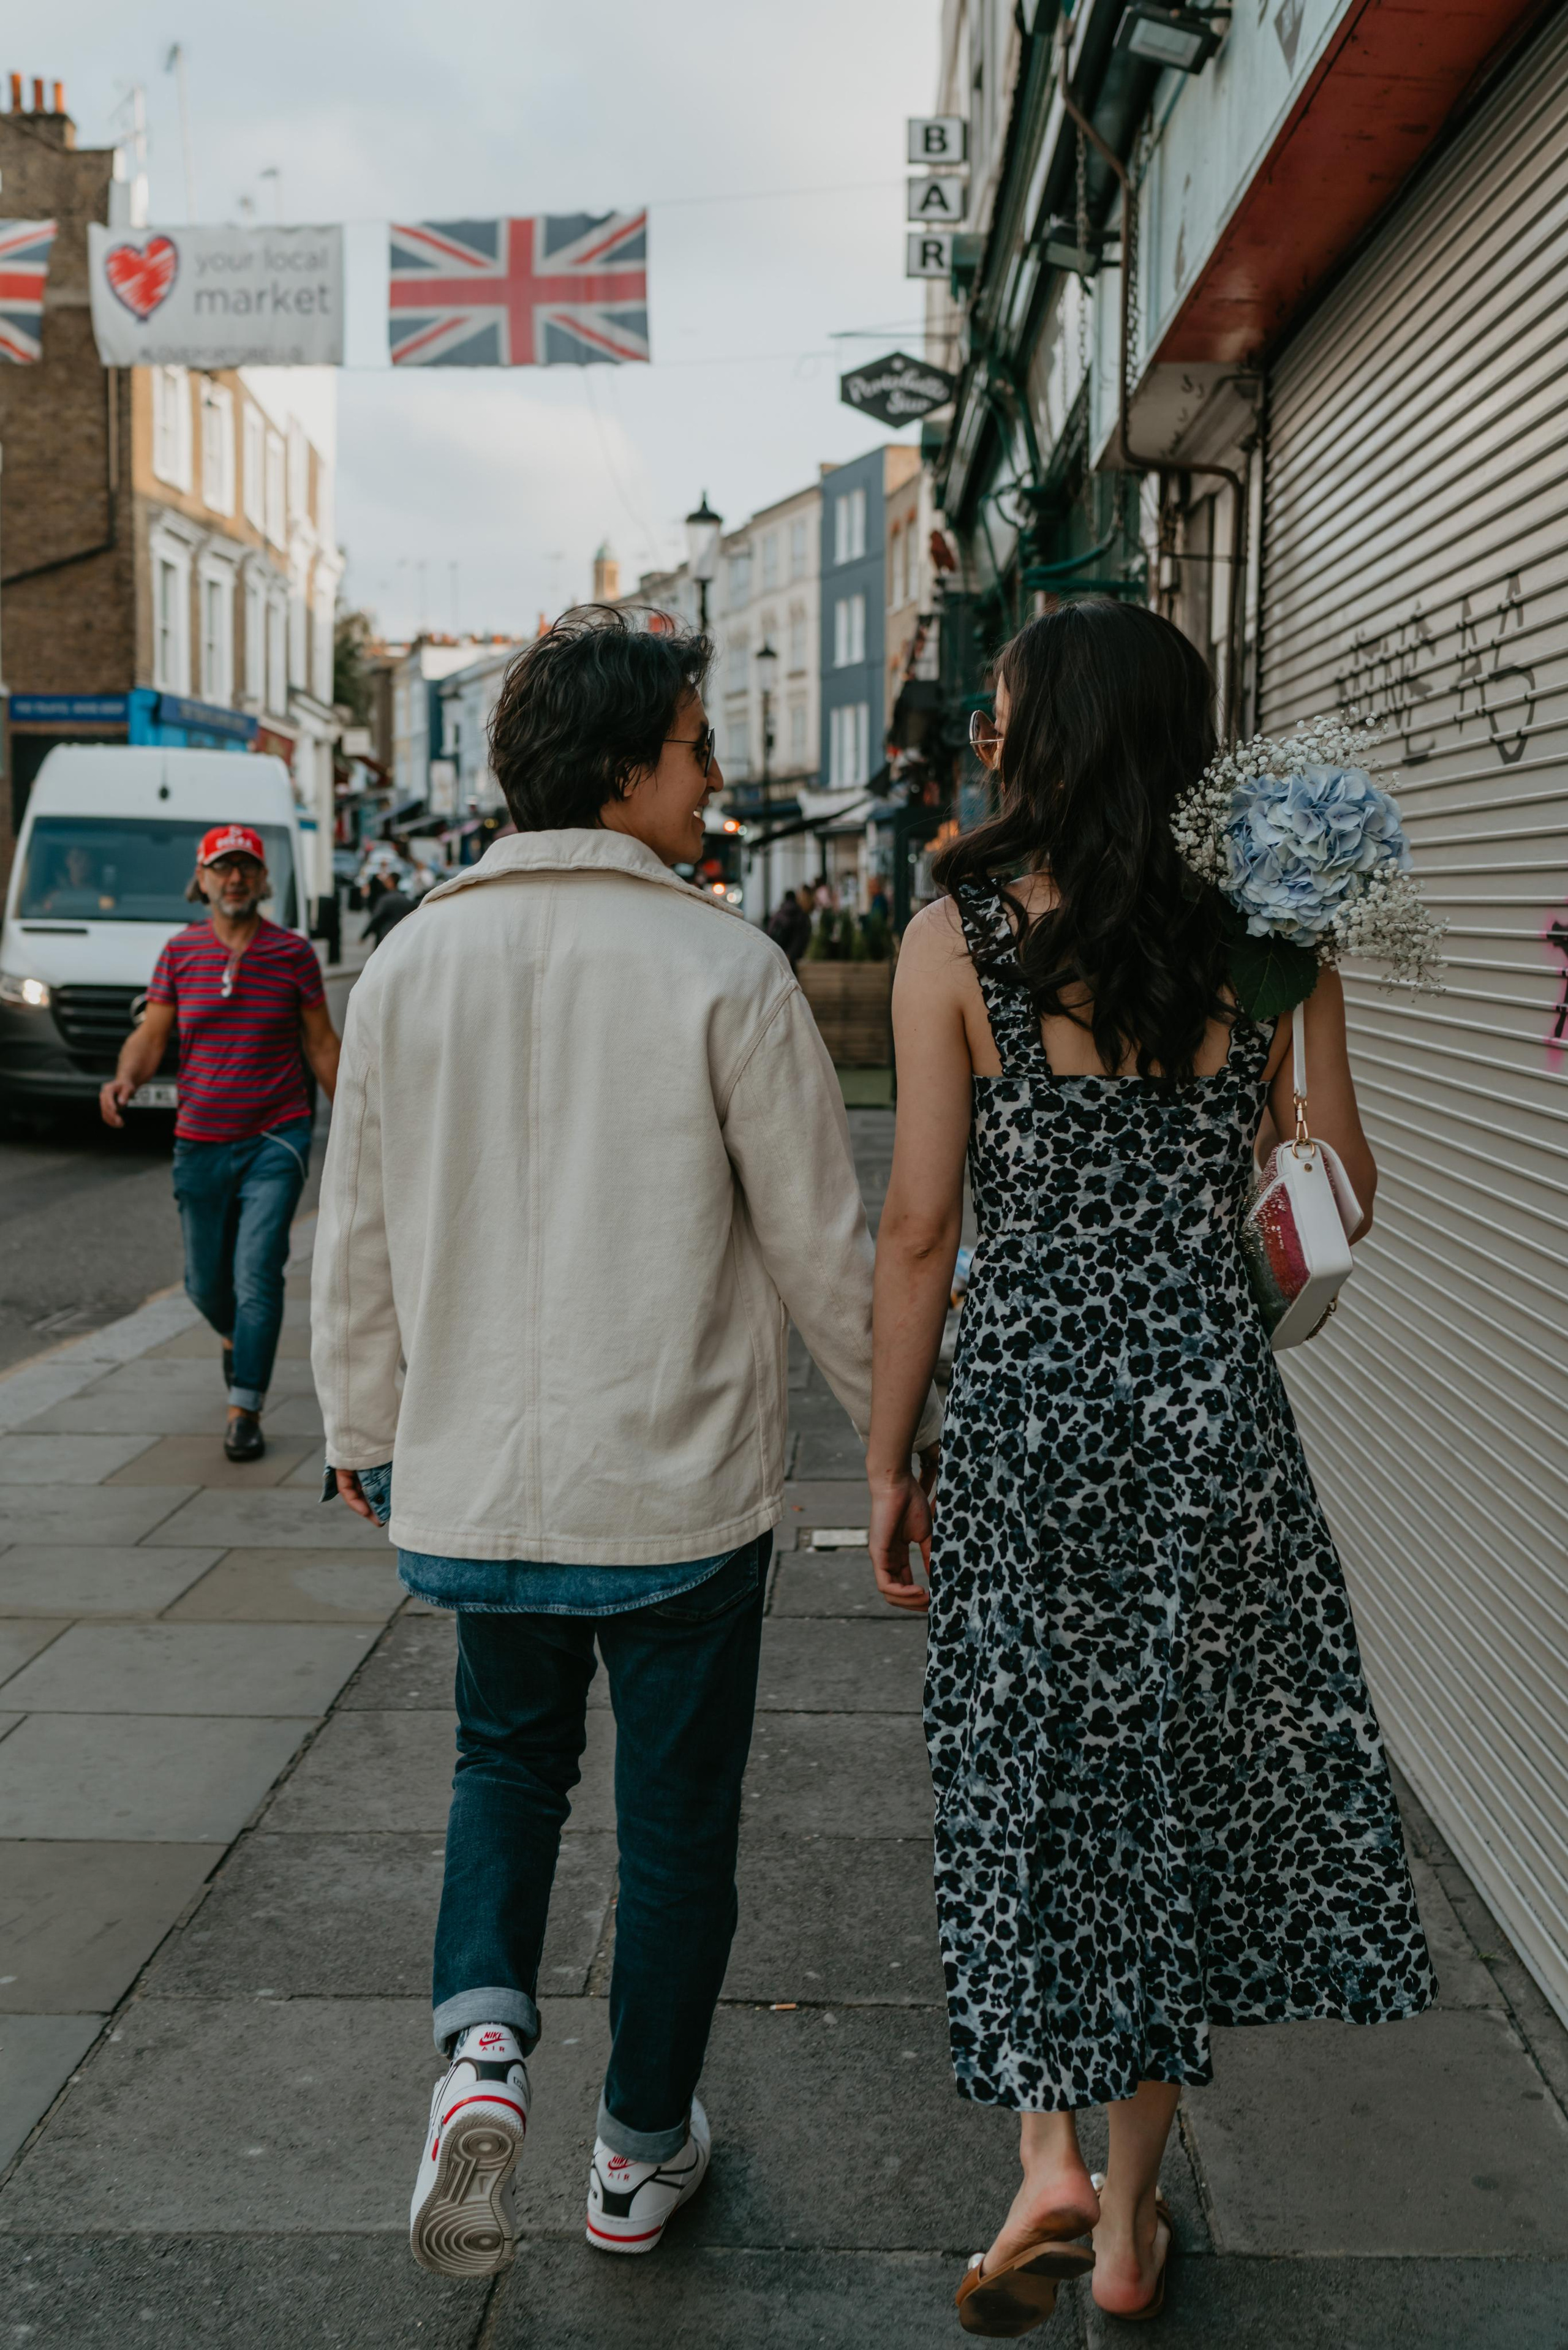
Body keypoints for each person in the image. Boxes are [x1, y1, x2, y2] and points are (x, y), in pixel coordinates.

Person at [311, 606, 940, 2283]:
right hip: (673, 1495)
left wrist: (358, 1420)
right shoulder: (723, 964)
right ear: (622, 767)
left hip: (479, 1484)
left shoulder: (409, 962)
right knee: (675, 1831)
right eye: (695, 748)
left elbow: (353, 1227)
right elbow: (826, 1243)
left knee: (503, 1766)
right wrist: (902, 1443)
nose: (716, 780)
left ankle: (483, 2053)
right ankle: (637, 2153)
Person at [865, 600, 1434, 2336]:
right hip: (1205, 1426)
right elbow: (1339, 1189)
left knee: (1040, 1781)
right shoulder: (1254, 940)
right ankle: (1122, 2227)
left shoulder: (955, 935)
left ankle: (1042, 2146)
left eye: (1007, 703)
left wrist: (892, 1456)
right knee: (1167, 1794)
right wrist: (1311, 978)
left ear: (1047, 735)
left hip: (1029, 1422)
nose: (986, 726)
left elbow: (915, 1231)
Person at [101, 824, 340, 1464]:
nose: (235, 878)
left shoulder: (293, 955)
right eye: (222, 867)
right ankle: (238, 1338)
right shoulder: (179, 953)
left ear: (263, 880)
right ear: (201, 880)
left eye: (246, 867)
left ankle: (245, 1409)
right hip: (200, 1140)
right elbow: (153, 1035)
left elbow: (320, 1044)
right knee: (206, 1286)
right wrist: (127, 1077)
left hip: (275, 1137)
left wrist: (364, 1116)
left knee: (258, 1273)